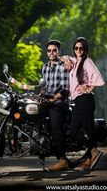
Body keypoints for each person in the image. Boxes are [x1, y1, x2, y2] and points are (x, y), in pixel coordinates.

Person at [62, 37, 105, 170]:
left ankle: (91, 155)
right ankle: (92, 153)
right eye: (76, 48)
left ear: (85, 49)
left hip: (85, 100)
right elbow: (63, 57)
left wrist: (88, 89)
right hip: (77, 101)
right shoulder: (75, 62)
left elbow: (99, 78)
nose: (78, 50)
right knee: (73, 131)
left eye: (81, 48)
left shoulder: (87, 62)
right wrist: (66, 59)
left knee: (88, 129)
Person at [41, 39, 70, 171]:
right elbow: (46, 86)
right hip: (48, 101)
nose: (51, 53)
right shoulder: (45, 67)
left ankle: (62, 160)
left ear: (58, 51)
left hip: (59, 102)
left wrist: (51, 100)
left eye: (54, 50)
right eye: (49, 50)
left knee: (56, 129)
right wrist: (40, 93)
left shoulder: (62, 66)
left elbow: (65, 90)